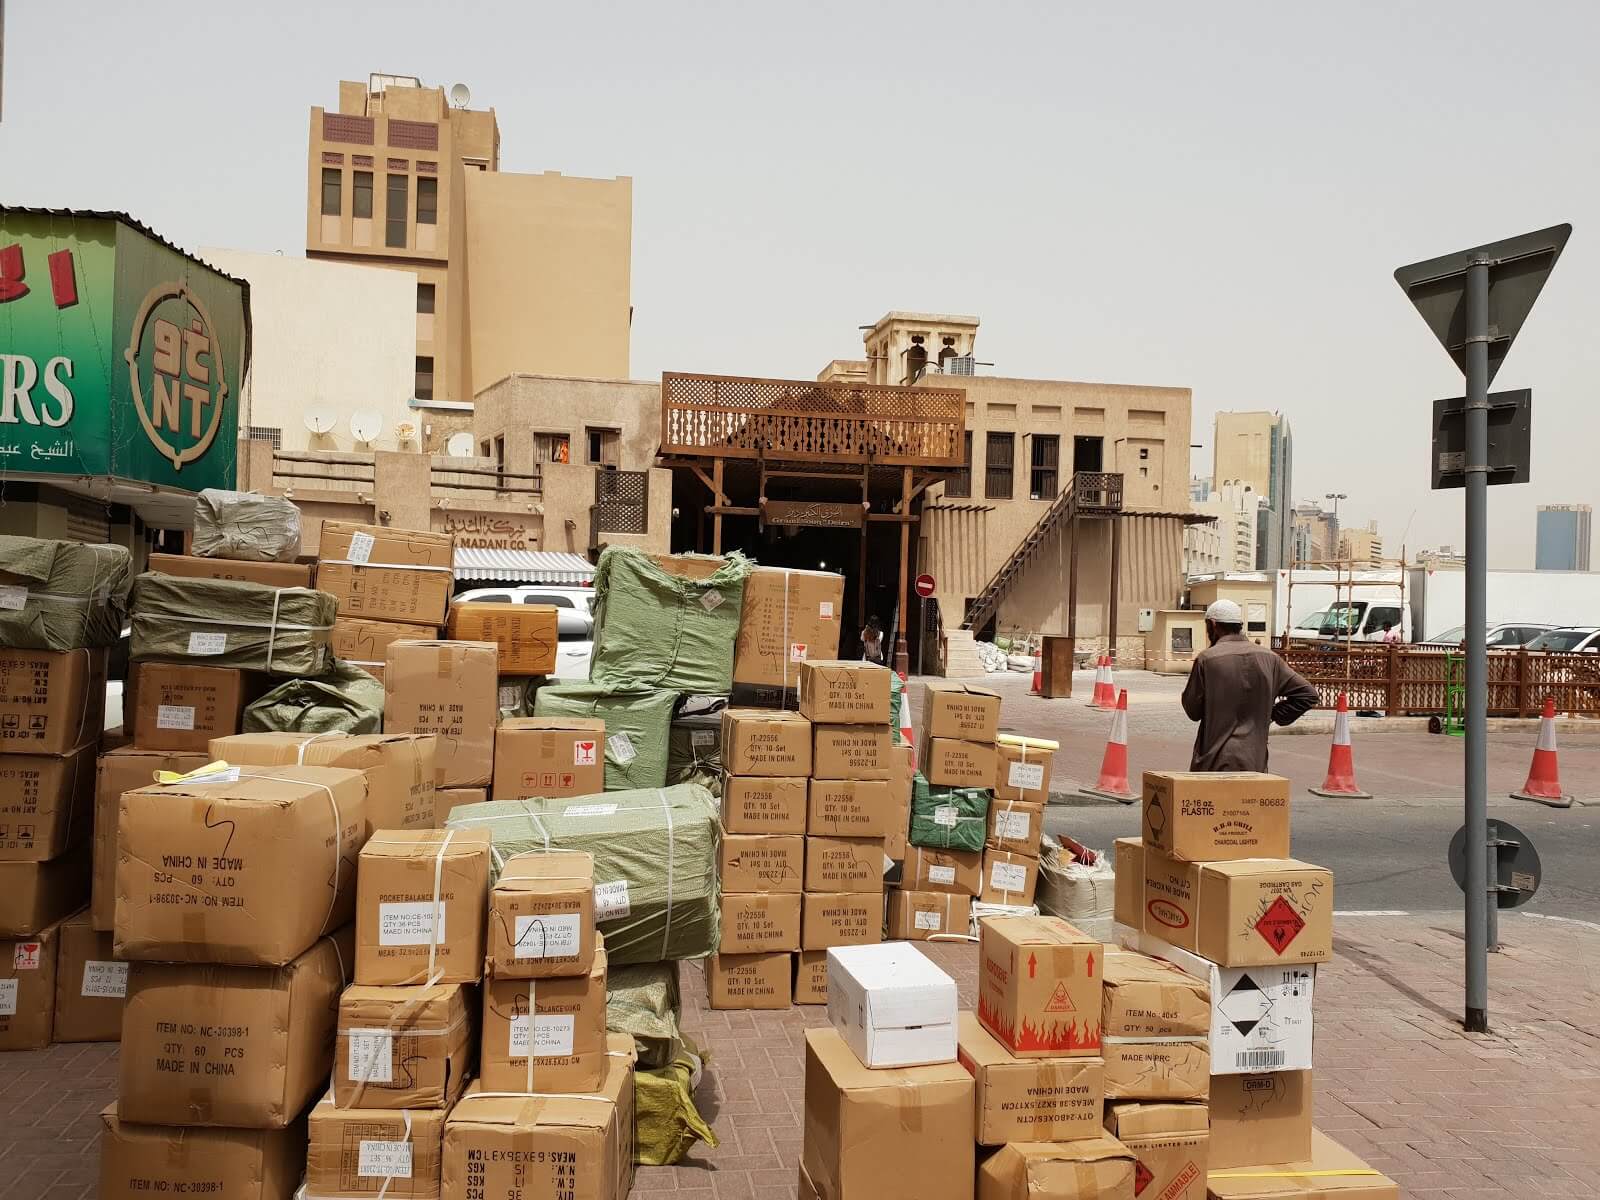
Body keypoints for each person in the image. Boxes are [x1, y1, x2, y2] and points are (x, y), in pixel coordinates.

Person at [1181, 599, 1319, 771]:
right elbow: (1308, 695)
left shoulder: (1207, 659)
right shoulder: (1270, 659)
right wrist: (1274, 714)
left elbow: (1193, 711)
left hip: (1214, 762)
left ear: (1213, 624)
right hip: (1255, 762)